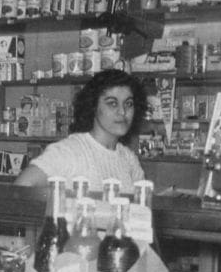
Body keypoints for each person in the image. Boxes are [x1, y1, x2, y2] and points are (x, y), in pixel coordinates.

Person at [14, 69, 147, 193]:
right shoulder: (69, 151)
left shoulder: (129, 159)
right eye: (112, 103)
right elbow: (20, 189)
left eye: (128, 104)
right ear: (93, 106)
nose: (122, 111)